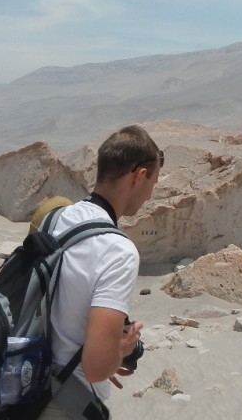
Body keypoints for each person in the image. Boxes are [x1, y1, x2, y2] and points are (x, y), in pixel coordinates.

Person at [38, 125, 164, 419]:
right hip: (66, 403)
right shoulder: (117, 251)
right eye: (153, 184)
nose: (149, 196)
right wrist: (121, 349)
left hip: (28, 387)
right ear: (139, 176)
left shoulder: (57, 218)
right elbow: (96, 368)